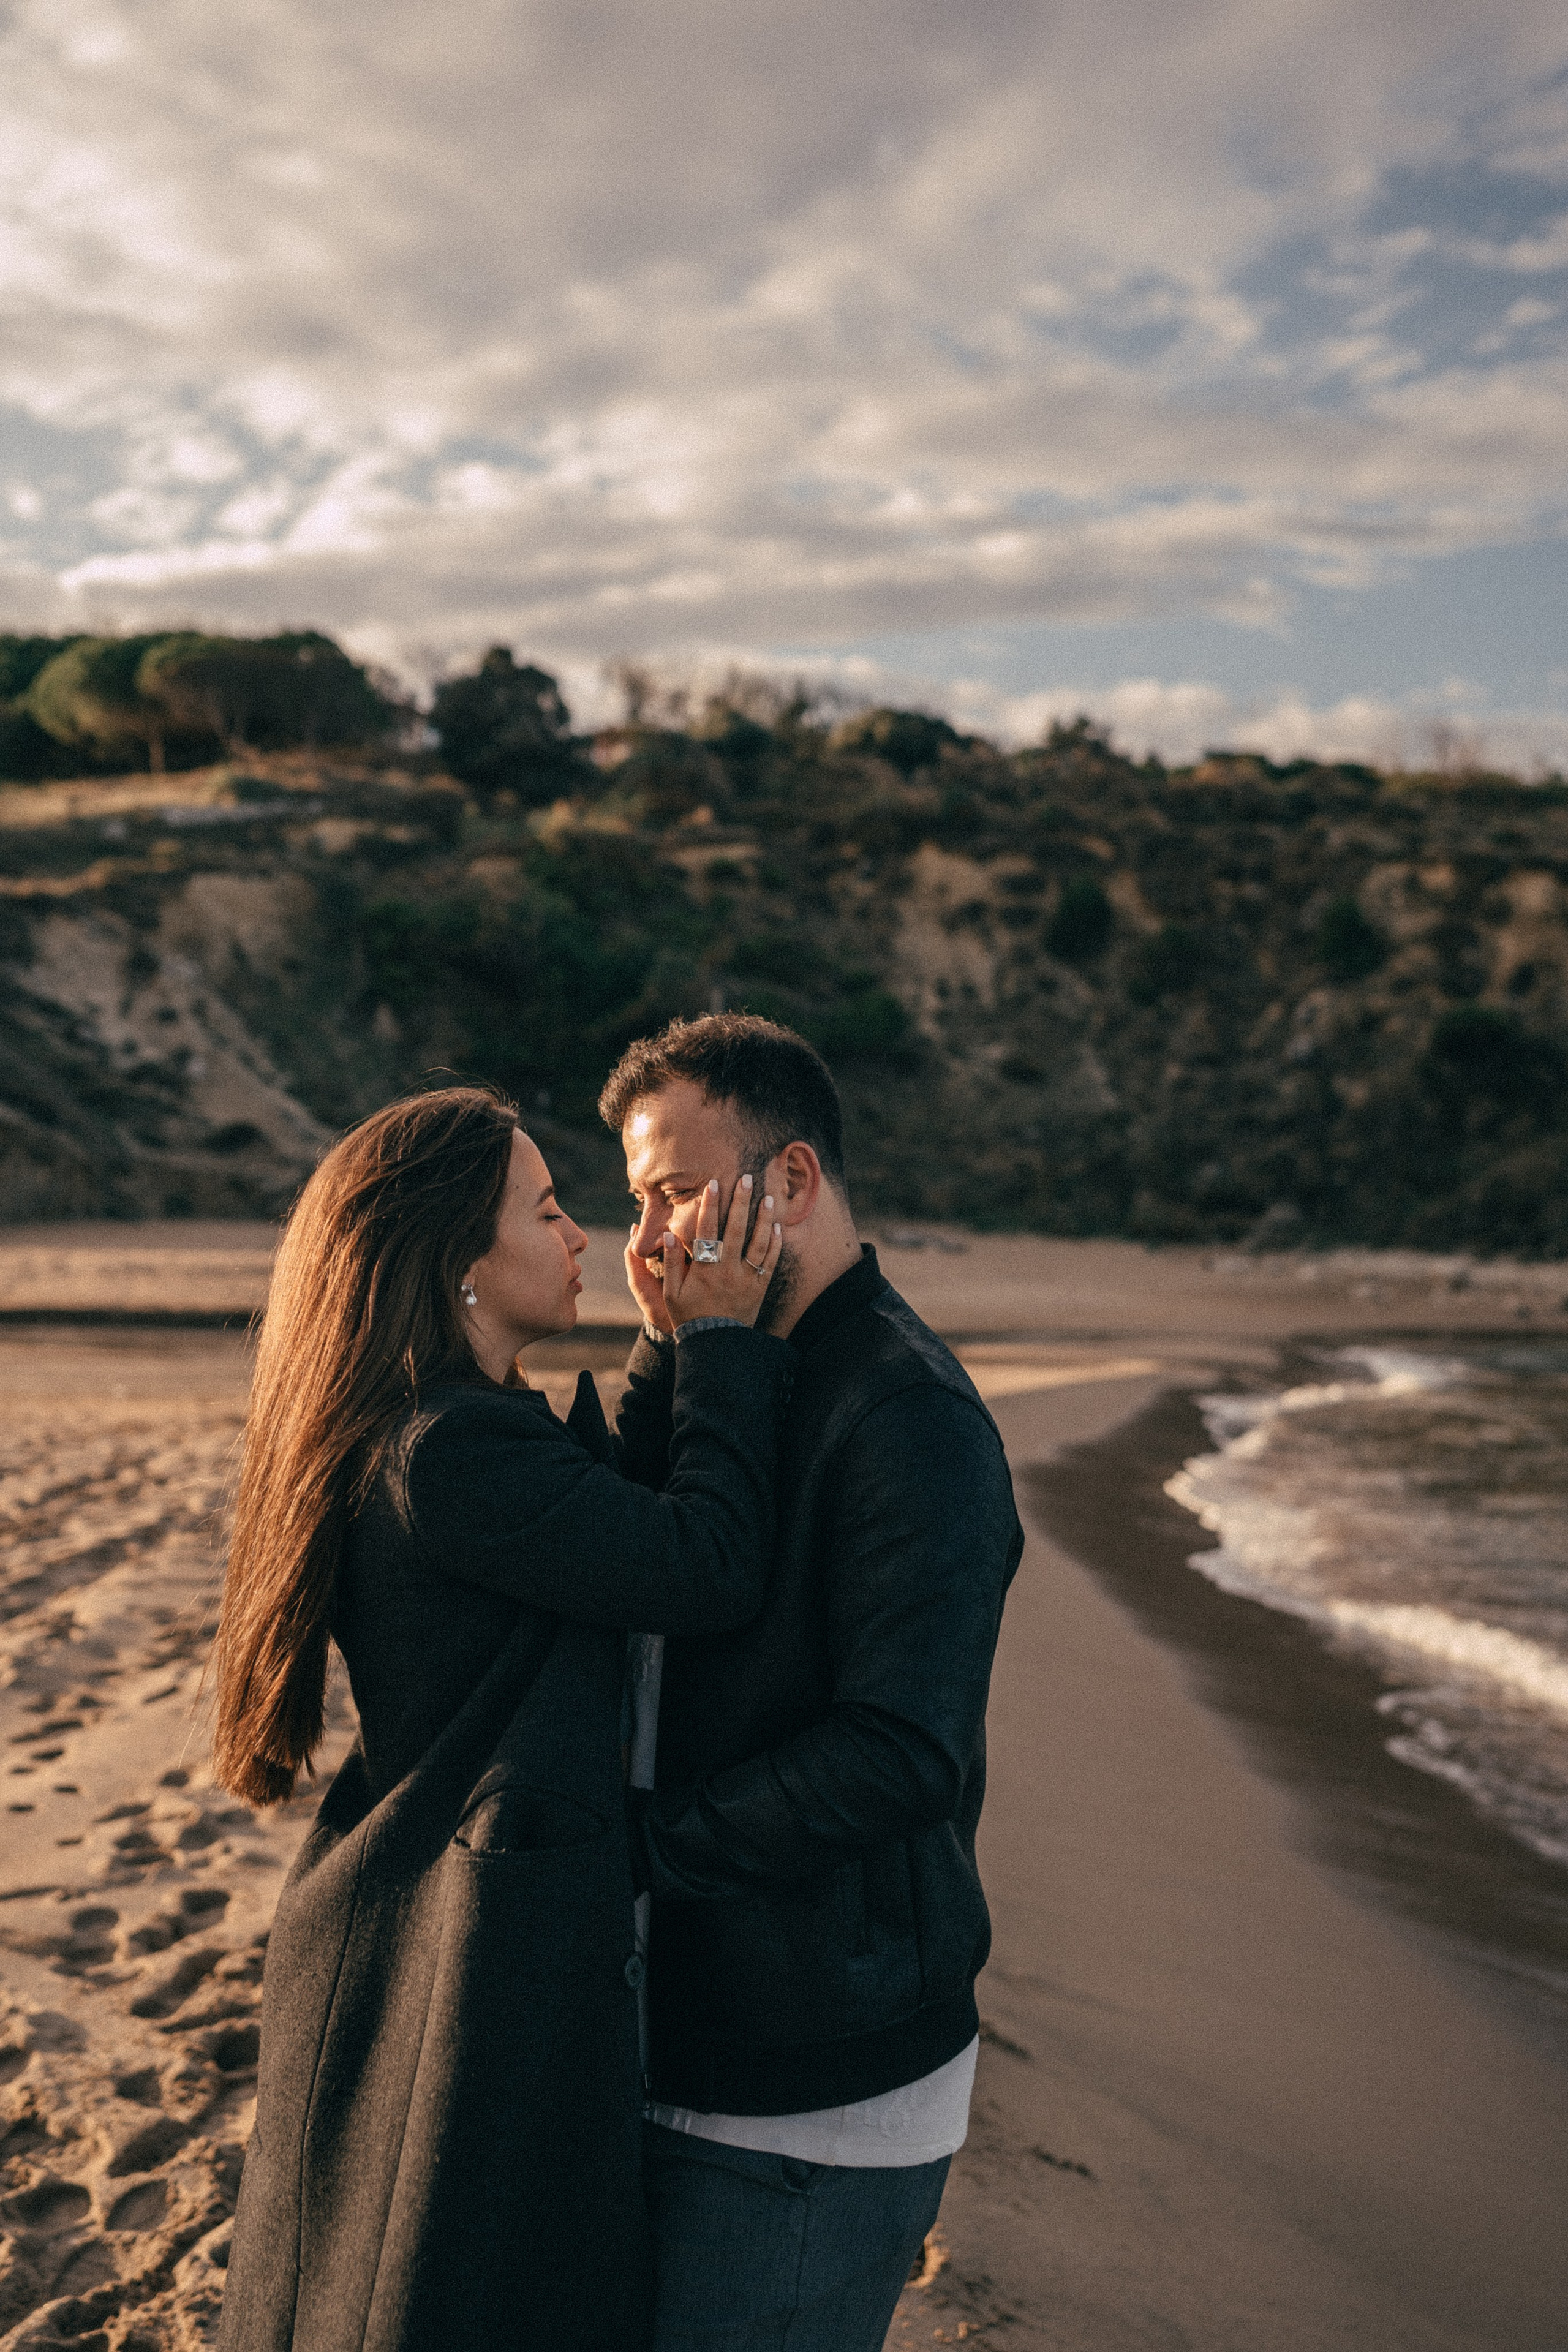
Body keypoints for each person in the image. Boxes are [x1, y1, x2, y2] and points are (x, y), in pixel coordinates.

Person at [211, 1084, 791, 2352]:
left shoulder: (452, 1429)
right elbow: (701, 1566)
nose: (583, 1234)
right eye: (546, 1208)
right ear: (459, 1262)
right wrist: (724, 1339)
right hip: (461, 1949)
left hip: (437, 1916)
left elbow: (610, 1529)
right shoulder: (450, 1452)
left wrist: (664, 1344)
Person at [598, 1015, 1025, 2352]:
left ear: (788, 1181)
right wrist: (670, 1349)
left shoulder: (908, 1417)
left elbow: (902, 1753)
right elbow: (639, 1591)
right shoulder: (728, 1364)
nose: (649, 1239)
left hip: (811, 2095)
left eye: (676, 1193)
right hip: (681, 2034)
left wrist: (634, 1848)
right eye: (636, 1205)